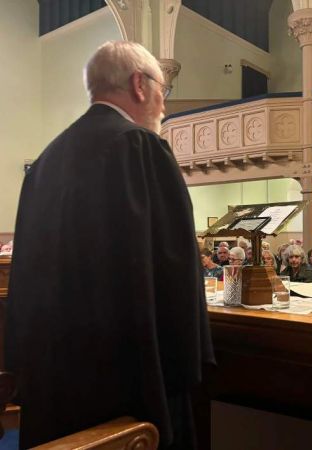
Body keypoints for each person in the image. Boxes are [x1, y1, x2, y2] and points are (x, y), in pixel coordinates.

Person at [4, 41, 214, 449]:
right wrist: (192, 364)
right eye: (162, 91)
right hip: (126, 384)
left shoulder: (45, 162)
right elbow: (175, 268)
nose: (163, 105)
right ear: (139, 84)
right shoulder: (141, 147)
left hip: (54, 383)